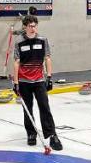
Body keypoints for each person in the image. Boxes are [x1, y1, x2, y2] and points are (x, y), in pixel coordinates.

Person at [12, 15, 63, 151]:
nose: (32, 28)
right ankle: (31, 133)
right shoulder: (19, 42)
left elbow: (47, 58)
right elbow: (16, 62)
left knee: (45, 107)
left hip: (39, 80)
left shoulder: (42, 40)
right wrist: (16, 83)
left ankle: (52, 134)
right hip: (24, 81)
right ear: (25, 27)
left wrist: (49, 77)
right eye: (30, 26)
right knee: (27, 109)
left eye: (34, 26)